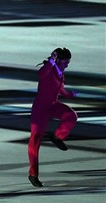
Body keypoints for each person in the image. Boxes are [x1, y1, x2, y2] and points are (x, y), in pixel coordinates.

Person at [28, 48, 78, 187]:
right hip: (40, 109)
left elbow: (60, 89)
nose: (67, 65)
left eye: (68, 62)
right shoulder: (48, 69)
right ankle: (33, 175)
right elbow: (41, 74)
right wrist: (51, 60)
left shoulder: (60, 73)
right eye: (65, 62)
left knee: (71, 115)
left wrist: (69, 94)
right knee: (35, 141)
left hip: (53, 105)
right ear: (58, 60)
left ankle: (57, 137)